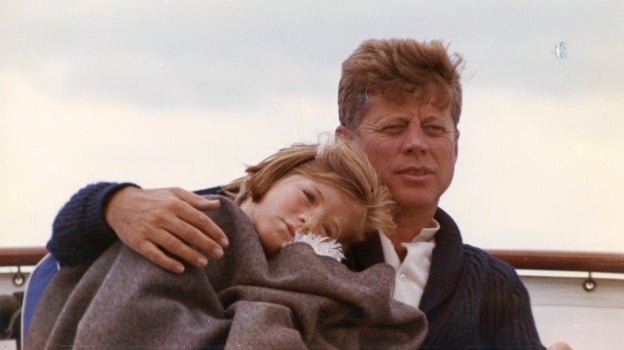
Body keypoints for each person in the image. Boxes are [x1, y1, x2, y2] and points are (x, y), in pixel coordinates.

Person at [45, 38, 567, 349]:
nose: (416, 145)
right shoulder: (268, 220)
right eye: (392, 127)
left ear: (456, 144)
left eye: (434, 128)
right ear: (347, 143)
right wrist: (116, 203)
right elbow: (70, 243)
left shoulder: (494, 285)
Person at [26, 140, 427, 349]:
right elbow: (71, 249)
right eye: (308, 197)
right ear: (266, 178)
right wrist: (113, 202)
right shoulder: (197, 214)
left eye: (328, 230)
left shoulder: (301, 272)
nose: (310, 222)